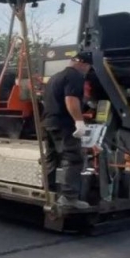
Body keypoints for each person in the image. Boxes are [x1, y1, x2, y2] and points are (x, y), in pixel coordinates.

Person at [41, 50, 93, 209]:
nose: (87, 70)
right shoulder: (75, 76)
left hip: (49, 122)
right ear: (83, 63)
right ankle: (69, 198)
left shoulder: (54, 77)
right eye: (88, 67)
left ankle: (48, 192)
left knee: (52, 158)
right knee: (73, 157)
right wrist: (79, 121)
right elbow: (71, 100)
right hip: (64, 124)